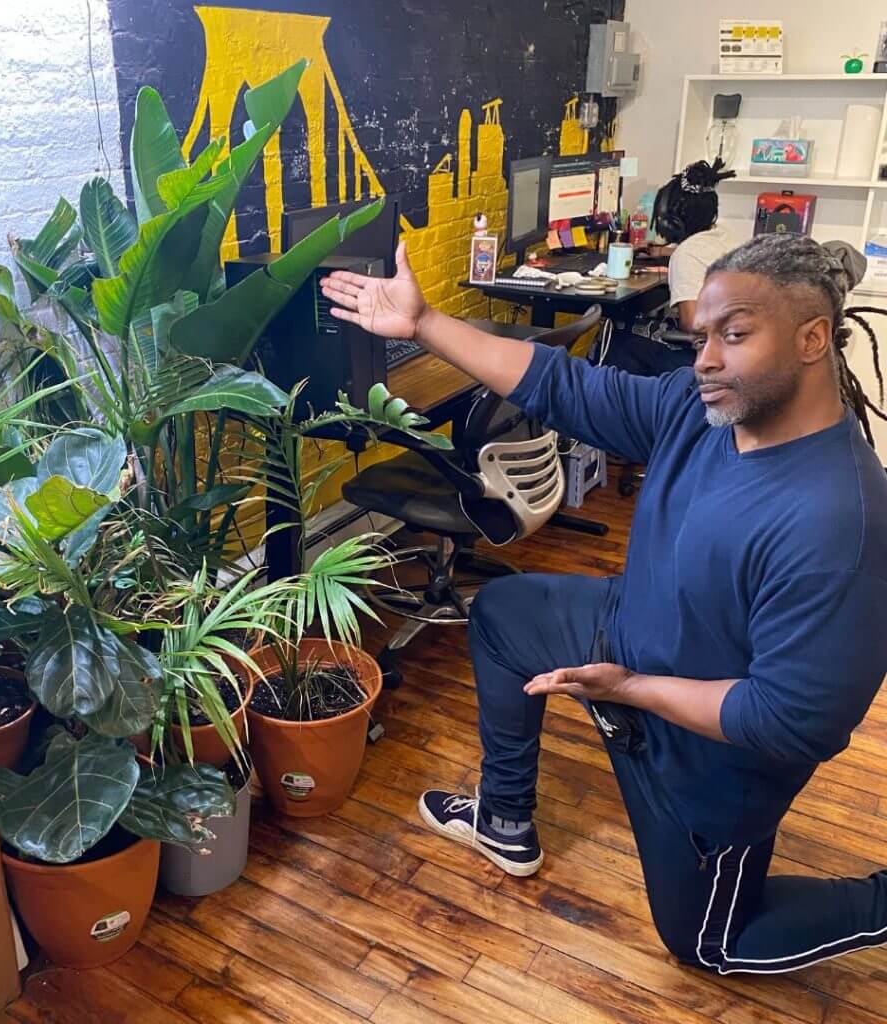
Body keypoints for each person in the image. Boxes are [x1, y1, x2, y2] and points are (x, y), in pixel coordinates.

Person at [320, 232, 887, 974]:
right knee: (503, 617)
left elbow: (786, 721)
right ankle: (503, 819)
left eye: (735, 334)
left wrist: (630, 690)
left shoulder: (839, 520)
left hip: (706, 757)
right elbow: (564, 386)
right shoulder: (700, 407)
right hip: (630, 636)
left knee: (709, 944)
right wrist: (424, 323)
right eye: (702, 336)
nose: (706, 359)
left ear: (814, 339)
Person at [604, 158, 737, 376]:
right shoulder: (724, 237)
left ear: (672, 221)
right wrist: (663, 251)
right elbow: (705, 256)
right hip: (735, 349)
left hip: (704, 356)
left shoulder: (688, 254)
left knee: (618, 335)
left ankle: (606, 401)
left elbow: (693, 323)